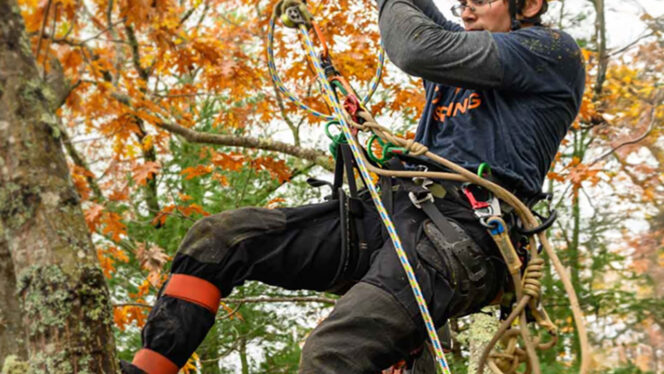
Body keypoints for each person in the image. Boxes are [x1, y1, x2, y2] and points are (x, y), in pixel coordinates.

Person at [120, 0, 585, 372]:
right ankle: (150, 369)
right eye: (462, 1)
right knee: (219, 241)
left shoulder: (548, 52)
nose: (466, 11)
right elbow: (419, 14)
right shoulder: (468, 49)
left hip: (464, 235)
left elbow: (418, 47)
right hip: (398, 213)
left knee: (332, 355)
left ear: (529, 6)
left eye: (480, 1)